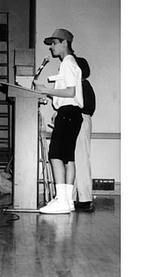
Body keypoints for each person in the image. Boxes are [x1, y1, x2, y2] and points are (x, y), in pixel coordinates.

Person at [34, 29, 83, 214]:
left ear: (65, 43)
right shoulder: (70, 63)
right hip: (71, 112)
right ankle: (67, 200)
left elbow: (70, 92)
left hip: (69, 112)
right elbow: (72, 93)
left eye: (54, 43)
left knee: (55, 154)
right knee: (68, 158)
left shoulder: (67, 63)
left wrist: (46, 90)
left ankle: (62, 200)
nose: (52, 47)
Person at [72, 57, 96, 212]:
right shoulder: (83, 85)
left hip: (80, 121)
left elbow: (85, 107)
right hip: (81, 121)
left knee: (80, 160)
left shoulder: (82, 85)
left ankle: (84, 198)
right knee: (77, 159)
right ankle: (77, 197)